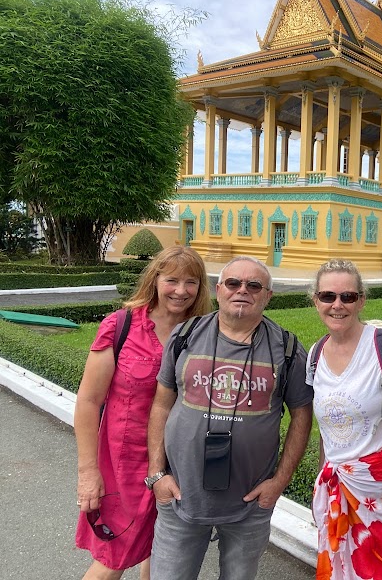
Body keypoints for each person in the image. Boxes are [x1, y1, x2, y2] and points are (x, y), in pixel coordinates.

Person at [146, 255, 313, 580]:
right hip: (180, 495)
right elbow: (161, 405)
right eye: (234, 283)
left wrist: (279, 483)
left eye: (254, 285)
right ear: (219, 289)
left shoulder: (287, 348)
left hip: (249, 506)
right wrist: (156, 474)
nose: (243, 291)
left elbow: (302, 416)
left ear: (268, 296)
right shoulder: (185, 336)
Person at [75, 246, 213, 580]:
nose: (181, 291)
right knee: (113, 559)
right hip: (123, 465)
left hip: (179, 464)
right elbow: (88, 402)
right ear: (155, 280)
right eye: (172, 280)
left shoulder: (204, 333)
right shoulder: (121, 326)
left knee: (162, 557)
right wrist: (88, 472)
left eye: (190, 282)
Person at [306, 259, 382, 579]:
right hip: (339, 493)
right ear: (315, 300)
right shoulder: (316, 354)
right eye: (327, 296)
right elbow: (327, 430)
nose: (337, 305)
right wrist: (323, 484)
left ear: (361, 300)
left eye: (347, 297)